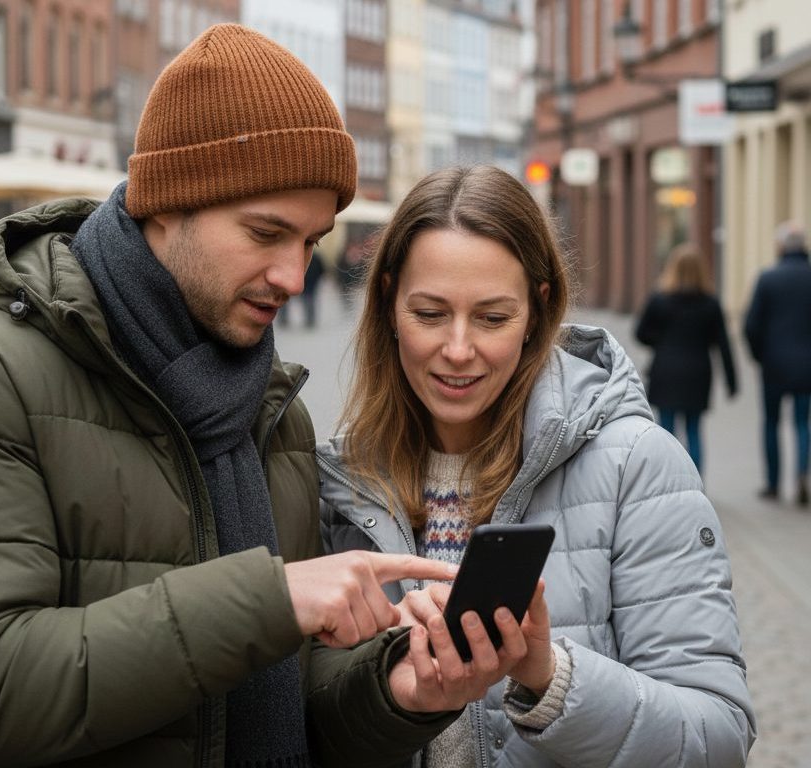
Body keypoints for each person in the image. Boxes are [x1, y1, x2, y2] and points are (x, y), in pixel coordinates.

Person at [0, 26, 530, 768]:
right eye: (266, 232)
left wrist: (398, 692)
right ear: (167, 202)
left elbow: (287, 693)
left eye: (311, 242)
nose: (293, 275)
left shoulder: (272, 408)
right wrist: (268, 600)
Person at [318, 166, 756, 766]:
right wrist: (393, 691)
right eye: (430, 313)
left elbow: (718, 737)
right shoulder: (340, 483)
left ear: (537, 310)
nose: (458, 349)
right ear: (389, 300)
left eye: (493, 318)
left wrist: (550, 677)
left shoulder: (635, 468)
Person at [634, 243, 737, 474]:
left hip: (666, 371)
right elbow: (723, 343)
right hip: (698, 373)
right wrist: (732, 381)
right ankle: (696, 485)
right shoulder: (711, 304)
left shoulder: (660, 300)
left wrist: (661, 340)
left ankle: (665, 481)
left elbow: (640, 333)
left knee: (666, 430)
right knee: (694, 430)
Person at [744, 221, 811, 506]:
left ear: (781, 247)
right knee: (801, 422)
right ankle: (801, 475)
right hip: (807, 365)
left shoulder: (768, 278)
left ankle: (773, 484)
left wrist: (760, 355)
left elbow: (751, 325)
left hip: (773, 365)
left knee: (772, 422)